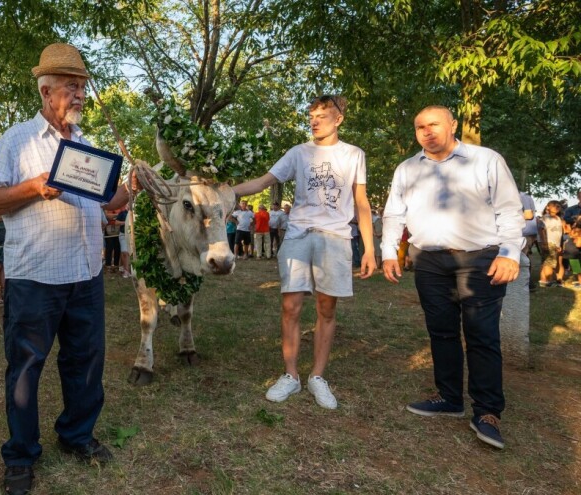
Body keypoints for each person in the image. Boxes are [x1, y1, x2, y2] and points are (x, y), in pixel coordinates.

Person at [0, 42, 137, 495]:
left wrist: (133, 186)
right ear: (46, 92)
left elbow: (112, 203)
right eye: (71, 86)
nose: (80, 95)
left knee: (86, 363)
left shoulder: (86, 147)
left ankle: (77, 436)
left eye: (83, 86)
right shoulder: (18, 140)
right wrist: (33, 187)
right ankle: (21, 455)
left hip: (85, 274)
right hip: (36, 277)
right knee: (26, 367)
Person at [382, 105, 524, 451]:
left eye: (433, 124)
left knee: (482, 334)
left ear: (453, 125)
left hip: (481, 259)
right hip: (428, 261)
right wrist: (389, 251)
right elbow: (393, 213)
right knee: (441, 331)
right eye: (419, 127)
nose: (426, 131)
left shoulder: (486, 160)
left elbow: (509, 208)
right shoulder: (407, 169)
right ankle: (448, 397)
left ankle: (488, 412)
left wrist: (510, 253)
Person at [232, 94, 376, 410]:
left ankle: (317, 377)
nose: (314, 120)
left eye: (322, 115)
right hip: (298, 234)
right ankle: (291, 376)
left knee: (326, 309)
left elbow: (361, 203)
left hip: (335, 238)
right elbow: (263, 182)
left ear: (338, 119)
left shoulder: (353, 154)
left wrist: (369, 249)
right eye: (311, 115)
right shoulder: (298, 153)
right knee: (291, 307)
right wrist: (227, 191)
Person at [538, 200, 565, 287]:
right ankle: (547, 281)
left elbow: (560, 233)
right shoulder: (545, 218)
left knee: (549, 262)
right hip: (549, 242)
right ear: (548, 207)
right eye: (554, 205)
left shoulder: (559, 218)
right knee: (549, 263)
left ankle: (544, 281)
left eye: (558, 206)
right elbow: (541, 230)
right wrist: (544, 243)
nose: (556, 207)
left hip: (556, 244)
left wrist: (560, 244)